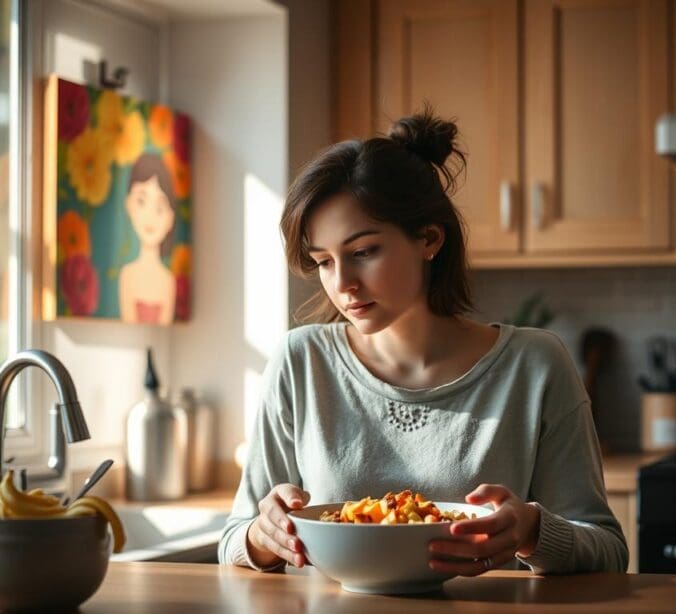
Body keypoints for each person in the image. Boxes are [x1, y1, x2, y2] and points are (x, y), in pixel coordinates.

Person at [219, 109, 628, 575]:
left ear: (429, 238)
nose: (343, 283)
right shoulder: (300, 360)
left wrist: (533, 531)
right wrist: (262, 535)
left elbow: (610, 551)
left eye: (363, 252)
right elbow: (234, 537)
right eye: (324, 262)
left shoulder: (534, 364)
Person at [118, 153, 177, 325]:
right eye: (141, 201)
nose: (150, 216)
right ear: (129, 204)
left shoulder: (168, 281)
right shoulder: (128, 275)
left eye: (159, 207)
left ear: (170, 218)